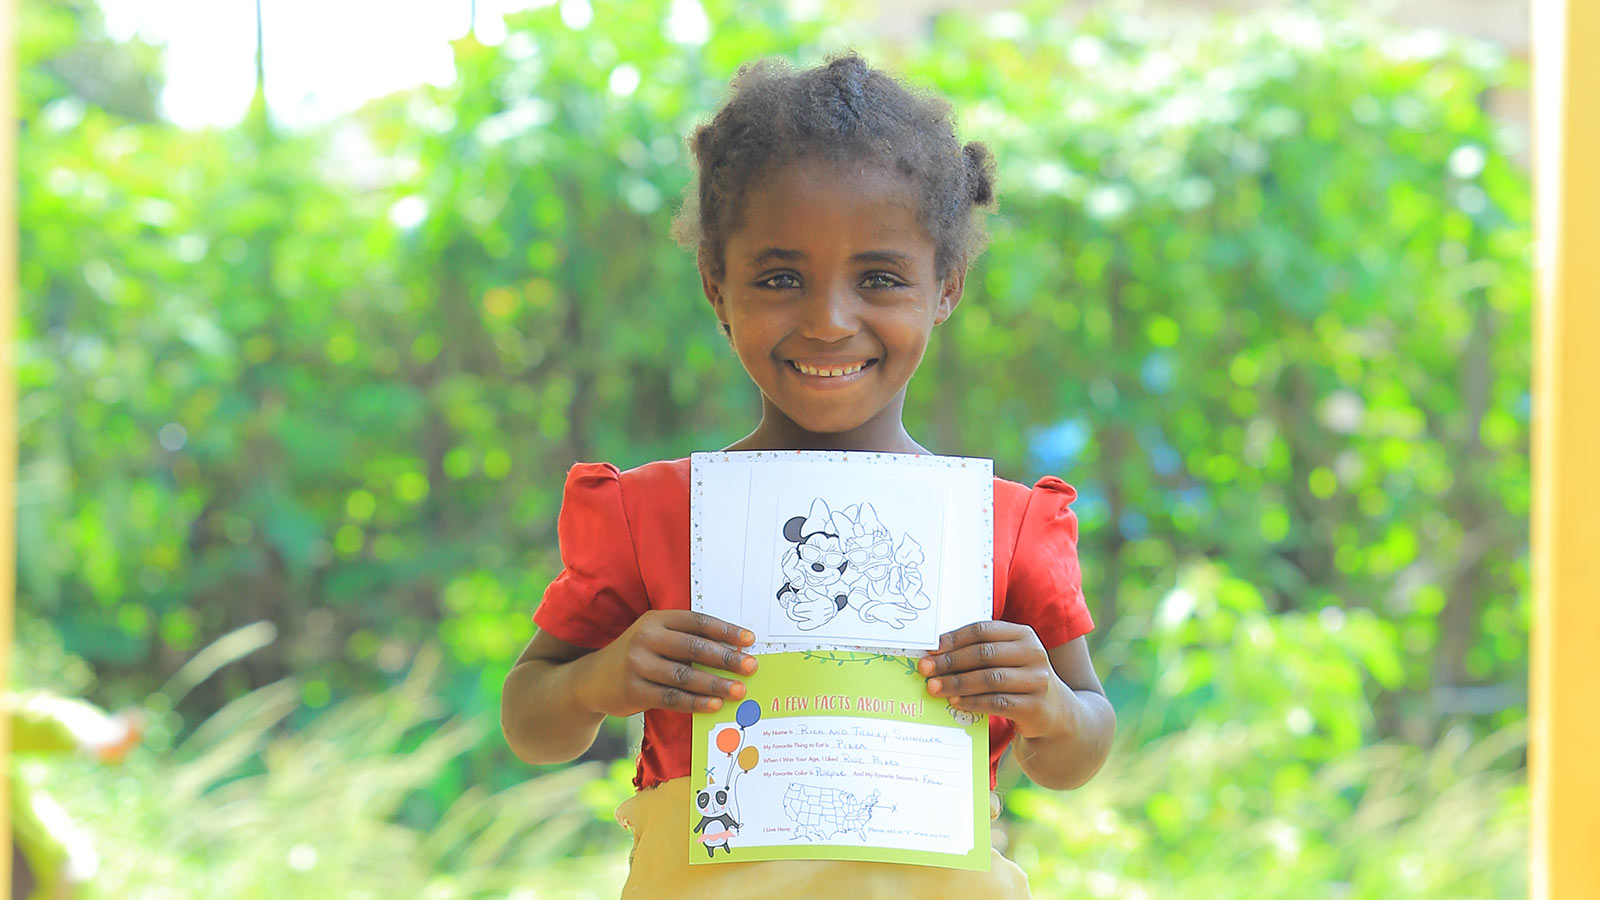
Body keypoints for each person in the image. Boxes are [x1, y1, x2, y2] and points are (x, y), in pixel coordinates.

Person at [501, 52, 1115, 899]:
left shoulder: (999, 529)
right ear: (717, 288)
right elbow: (531, 721)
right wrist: (598, 680)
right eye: (780, 278)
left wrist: (1047, 701)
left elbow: (1078, 750)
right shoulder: (652, 515)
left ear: (946, 287)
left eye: (880, 279)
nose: (829, 321)